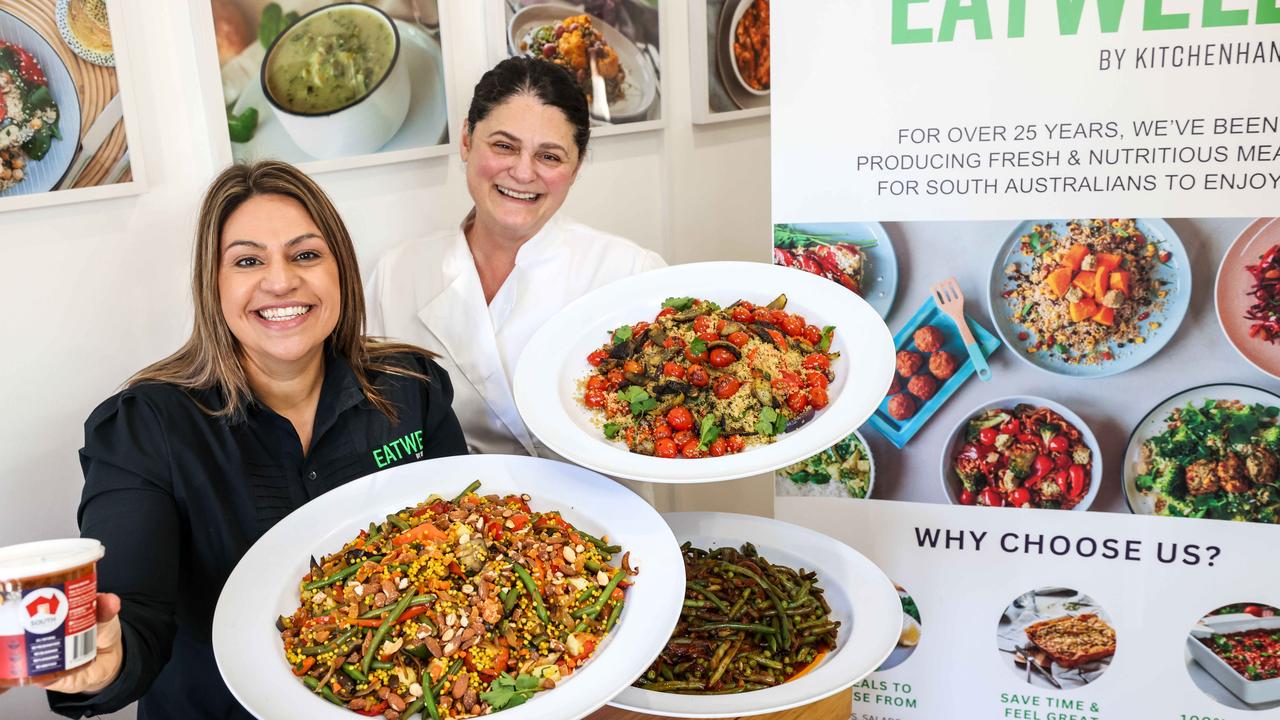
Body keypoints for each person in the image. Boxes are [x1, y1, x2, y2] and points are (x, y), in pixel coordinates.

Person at [42, 161, 468, 718]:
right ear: (213, 285)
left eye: (306, 254)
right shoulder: (143, 427)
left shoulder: (412, 387)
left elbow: (465, 552)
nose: (281, 280)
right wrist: (105, 661)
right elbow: (134, 613)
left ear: (340, 270)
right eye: (247, 261)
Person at [367, 56, 666, 457]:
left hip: (604, 511)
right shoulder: (396, 274)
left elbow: (666, 431)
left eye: (549, 156)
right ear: (466, 141)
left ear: (575, 168)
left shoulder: (631, 274)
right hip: (450, 512)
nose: (523, 173)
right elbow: (375, 427)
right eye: (504, 146)